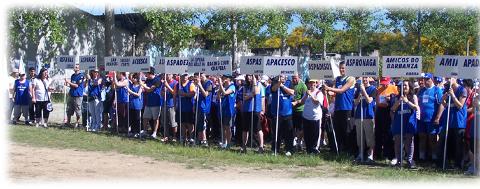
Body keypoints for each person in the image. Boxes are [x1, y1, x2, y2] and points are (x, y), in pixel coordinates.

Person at [323, 61, 355, 154]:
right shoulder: (337, 79)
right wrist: (326, 91)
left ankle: (349, 151)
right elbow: (334, 92)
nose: (342, 70)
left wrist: (329, 88)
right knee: (338, 130)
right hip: (338, 108)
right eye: (340, 68)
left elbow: (341, 90)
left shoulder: (351, 78)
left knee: (347, 131)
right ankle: (339, 150)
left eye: (343, 68)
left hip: (347, 108)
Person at [436, 78, 468, 169]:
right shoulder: (447, 89)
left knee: (458, 144)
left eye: (450, 78)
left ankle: (458, 165)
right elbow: (445, 105)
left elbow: (460, 106)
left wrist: (453, 95)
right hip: (448, 121)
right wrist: (443, 99)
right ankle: (442, 163)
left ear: (455, 78)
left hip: (458, 122)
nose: (448, 80)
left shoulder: (462, 90)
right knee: (443, 141)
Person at [390, 80, 419, 169]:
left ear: (409, 87)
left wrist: (407, 101)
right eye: (402, 86)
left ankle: (410, 161)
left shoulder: (413, 96)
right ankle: (399, 161)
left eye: (406, 85)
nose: (404, 87)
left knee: (409, 143)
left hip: (409, 123)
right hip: (398, 123)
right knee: (398, 143)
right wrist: (399, 101)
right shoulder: (396, 97)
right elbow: (392, 109)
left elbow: (416, 107)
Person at [417, 73, 443, 163]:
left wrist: (438, 117)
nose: (425, 81)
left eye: (427, 79)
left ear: (432, 79)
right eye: (424, 79)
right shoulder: (421, 90)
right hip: (421, 119)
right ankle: (421, 156)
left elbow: (441, 104)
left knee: (432, 138)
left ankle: (434, 157)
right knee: (422, 137)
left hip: (432, 119)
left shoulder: (437, 90)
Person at [353, 77, 376, 163]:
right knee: (360, 137)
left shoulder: (373, 89)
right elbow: (355, 103)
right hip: (359, 116)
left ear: (369, 78)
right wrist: (359, 96)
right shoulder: (358, 89)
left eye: (366, 78)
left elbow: (369, 100)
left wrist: (364, 91)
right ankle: (360, 154)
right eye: (363, 78)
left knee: (369, 137)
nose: (364, 79)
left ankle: (370, 155)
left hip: (368, 116)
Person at [270, 75, 295, 156]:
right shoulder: (274, 82)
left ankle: (289, 149)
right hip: (276, 112)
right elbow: (273, 89)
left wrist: (282, 85)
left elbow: (291, 92)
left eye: (283, 77)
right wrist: (279, 83)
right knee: (276, 133)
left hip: (287, 112)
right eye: (281, 76)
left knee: (288, 133)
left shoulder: (289, 83)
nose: (282, 78)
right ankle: (275, 149)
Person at [375, 76, 398, 161]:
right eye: (383, 83)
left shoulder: (394, 88)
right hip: (380, 111)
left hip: (389, 111)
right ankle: (378, 154)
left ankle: (389, 154)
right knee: (379, 133)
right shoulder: (379, 89)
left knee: (389, 134)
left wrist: (390, 99)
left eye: (386, 83)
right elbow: (377, 102)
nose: (384, 85)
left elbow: (397, 99)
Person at [241, 74, 265, 153]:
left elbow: (257, 92)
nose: (249, 77)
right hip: (246, 109)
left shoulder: (258, 84)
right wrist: (251, 95)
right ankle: (244, 146)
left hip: (255, 109)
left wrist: (262, 109)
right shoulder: (245, 86)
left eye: (251, 76)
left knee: (258, 128)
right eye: (248, 76)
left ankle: (261, 146)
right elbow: (244, 96)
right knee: (245, 129)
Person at [299, 79, 324, 154]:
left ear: (316, 84)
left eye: (314, 83)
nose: (312, 84)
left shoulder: (319, 93)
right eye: (310, 83)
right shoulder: (307, 92)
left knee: (315, 135)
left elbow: (317, 102)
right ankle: (308, 150)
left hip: (315, 117)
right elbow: (302, 101)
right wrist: (306, 95)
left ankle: (315, 150)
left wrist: (311, 95)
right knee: (307, 135)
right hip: (306, 117)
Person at [140, 69, 162, 139]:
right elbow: (145, 88)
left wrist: (142, 84)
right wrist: (143, 86)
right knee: (145, 118)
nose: (145, 75)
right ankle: (145, 131)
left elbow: (150, 89)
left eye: (146, 73)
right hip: (148, 102)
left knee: (156, 119)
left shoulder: (157, 80)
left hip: (156, 102)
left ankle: (154, 133)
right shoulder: (147, 80)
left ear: (150, 73)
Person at [193, 72, 213, 147]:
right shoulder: (198, 83)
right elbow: (196, 96)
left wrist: (200, 85)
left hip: (205, 107)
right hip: (198, 105)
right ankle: (199, 139)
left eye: (201, 75)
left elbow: (205, 94)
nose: (199, 77)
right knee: (199, 124)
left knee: (203, 124)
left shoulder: (208, 83)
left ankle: (204, 140)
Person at [217, 74, 236, 149]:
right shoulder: (223, 87)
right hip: (222, 109)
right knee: (222, 127)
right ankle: (224, 142)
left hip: (229, 110)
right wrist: (220, 88)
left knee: (227, 127)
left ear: (228, 79)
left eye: (224, 78)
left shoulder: (232, 86)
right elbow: (219, 96)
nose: (222, 79)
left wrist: (221, 84)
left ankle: (228, 143)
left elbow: (225, 93)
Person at [176, 73, 196, 144]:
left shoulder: (191, 84)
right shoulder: (178, 85)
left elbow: (193, 94)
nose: (184, 77)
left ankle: (191, 138)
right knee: (182, 123)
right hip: (180, 107)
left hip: (189, 107)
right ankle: (183, 138)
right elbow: (175, 94)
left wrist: (183, 94)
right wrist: (175, 105)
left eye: (186, 75)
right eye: (183, 75)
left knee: (190, 124)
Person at [291, 73, 308, 151]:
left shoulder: (303, 86)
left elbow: (305, 99)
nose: (294, 80)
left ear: (299, 77)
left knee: (300, 128)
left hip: (300, 109)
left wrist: (296, 102)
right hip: (292, 110)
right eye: (293, 78)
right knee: (292, 127)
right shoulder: (291, 85)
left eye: (295, 78)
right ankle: (294, 142)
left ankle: (299, 142)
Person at [160, 73, 178, 142]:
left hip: (172, 105)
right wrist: (163, 91)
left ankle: (174, 137)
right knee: (165, 122)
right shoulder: (164, 83)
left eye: (169, 74)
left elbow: (174, 93)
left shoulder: (175, 83)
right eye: (166, 74)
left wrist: (167, 86)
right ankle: (166, 136)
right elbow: (161, 94)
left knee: (173, 122)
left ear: (172, 75)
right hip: (164, 104)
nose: (167, 76)